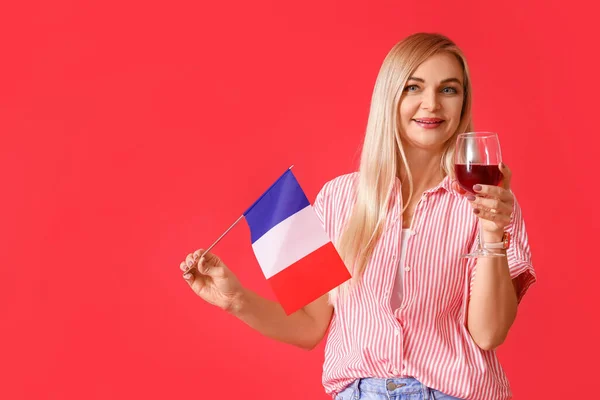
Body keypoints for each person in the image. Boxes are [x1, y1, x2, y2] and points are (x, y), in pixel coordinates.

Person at [179, 32, 536, 400]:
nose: (432, 104)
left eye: (449, 90)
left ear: (463, 102)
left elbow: (489, 334)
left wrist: (493, 232)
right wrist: (235, 300)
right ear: (389, 97)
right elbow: (309, 327)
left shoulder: (489, 203)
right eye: (413, 87)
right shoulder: (337, 199)